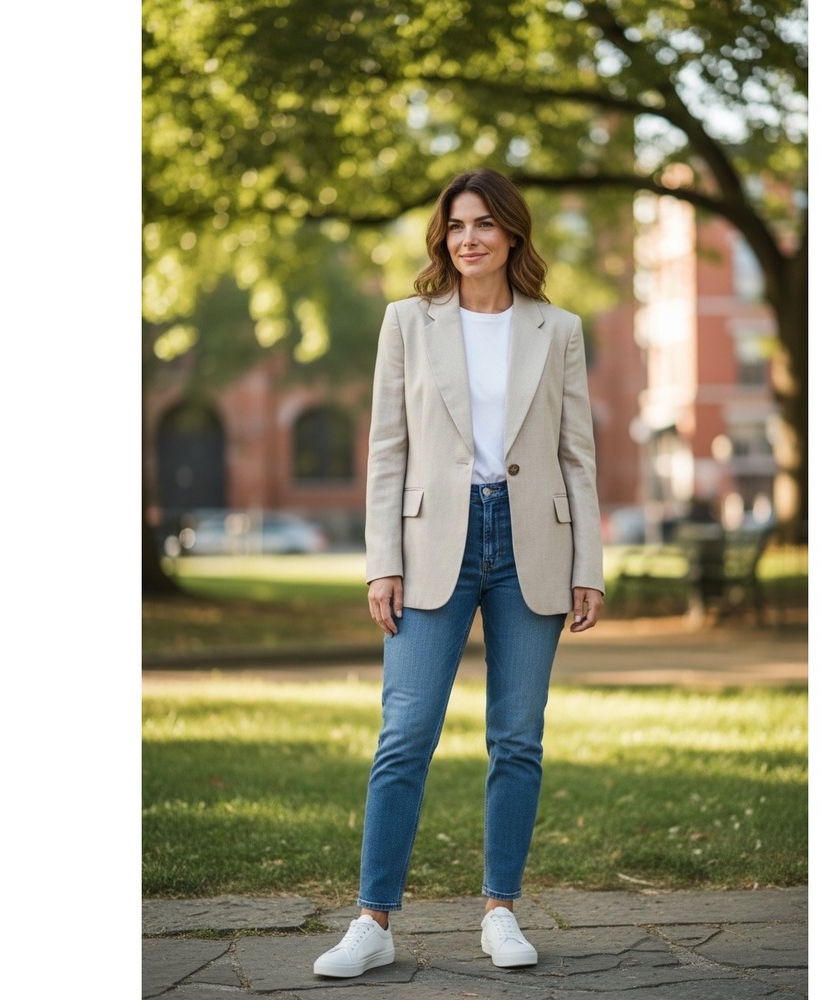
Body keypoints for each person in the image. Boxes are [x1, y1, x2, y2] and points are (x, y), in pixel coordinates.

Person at [313, 168, 605, 979]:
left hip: (530, 547)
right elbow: (386, 450)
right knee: (404, 735)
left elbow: (577, 455)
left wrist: (590, 563)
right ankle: (372, 920)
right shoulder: (407, 322)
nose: (467, 237)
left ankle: (501, 909)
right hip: (431, 542)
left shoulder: (559, 328)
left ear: (512, 232)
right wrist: (382, 562)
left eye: (483, 223)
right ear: (442, 237)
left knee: (518, 738)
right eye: (455, 225)